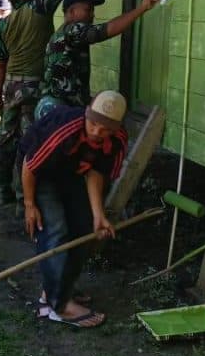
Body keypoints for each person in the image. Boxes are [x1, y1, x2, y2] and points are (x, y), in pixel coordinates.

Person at [0, 0, 91, 205]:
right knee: (31, 138)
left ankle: (3, 189)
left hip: (11, 87)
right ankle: (27, 193)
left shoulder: (3, 25)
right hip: (37, 86)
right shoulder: (40, 8)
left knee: (6, 137)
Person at [19, 90, 130, 328]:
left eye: (105, 129)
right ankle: (59, 306)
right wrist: (29, 204)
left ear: (116, 128)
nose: (96, 132)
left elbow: (95, 172)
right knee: (54, 229)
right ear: (87, 115)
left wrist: (98, 215)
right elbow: (30, 165)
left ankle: (58, 288)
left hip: (73, 173)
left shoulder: (117, 141)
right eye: (93, 123)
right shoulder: (65, 130)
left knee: (83, 228)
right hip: (40, 173)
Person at [36, 0, 162, 119]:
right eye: (87, 10)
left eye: (92, 10)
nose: (92, 15)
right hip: (58, 110)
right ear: (71, 12)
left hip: (59, 107)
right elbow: (106, 30)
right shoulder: (73, 30)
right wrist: (142, 8)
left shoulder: (64, 34)